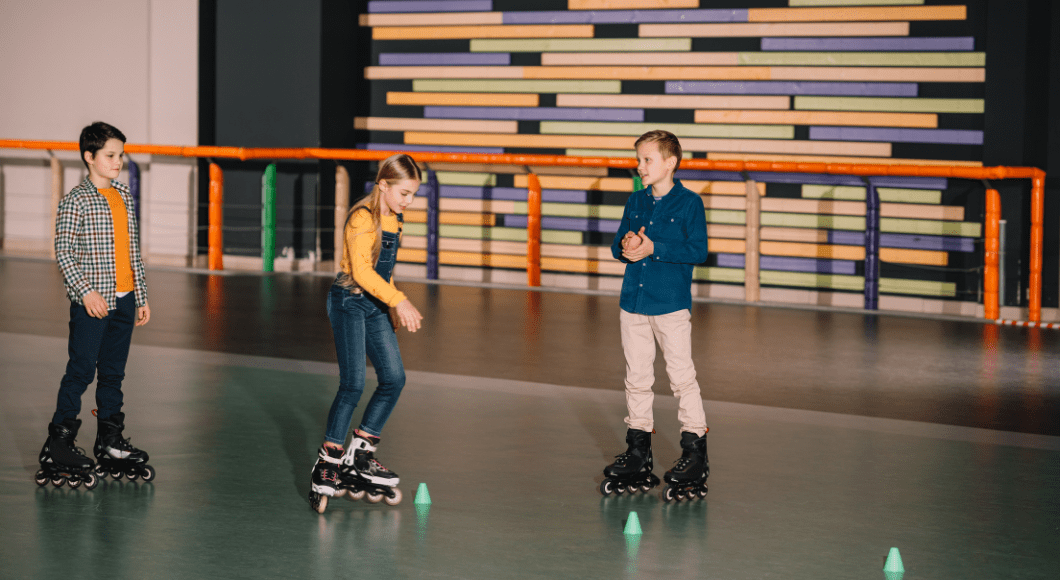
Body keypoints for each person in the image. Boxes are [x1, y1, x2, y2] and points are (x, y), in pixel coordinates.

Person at [37, 122, 153, 490]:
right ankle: (58, 442)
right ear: (89, 157)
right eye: (110, 155)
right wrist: (86, 292)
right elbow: (64, 253)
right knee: (81, 371)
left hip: (123, 300)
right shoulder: (76, 200)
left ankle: (109, 441)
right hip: (93, 304)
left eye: (121, 155)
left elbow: (132, 252)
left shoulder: (122, 195)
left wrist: (141, 295)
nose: (119, 162)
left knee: (114, 374)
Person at [309, 153, 423, 512]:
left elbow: (384, 272)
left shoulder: (396, 220)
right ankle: (328, 462)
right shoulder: (362, 218)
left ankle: (361, 452)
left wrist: (388, 307)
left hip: (375, 306)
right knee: (353, 384)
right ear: (384, 185)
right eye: (404, 193)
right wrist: (400, 301)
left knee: (394, 378)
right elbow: (361, 272)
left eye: (413, 195)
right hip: (349, 302)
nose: (409, 202)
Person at [601, 130, 710, 501]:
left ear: (670, 163)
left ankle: (695, 452)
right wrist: (627, 245)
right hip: (633, 303)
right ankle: (638, 451)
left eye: (647, 159)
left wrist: (654, 247)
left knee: (681, 377)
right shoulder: (635, 201)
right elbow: (618, 245)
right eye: (638, 159)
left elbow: (698, 250)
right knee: (636, 377)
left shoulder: (689, 204)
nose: (640, 166)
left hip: (670, 305)